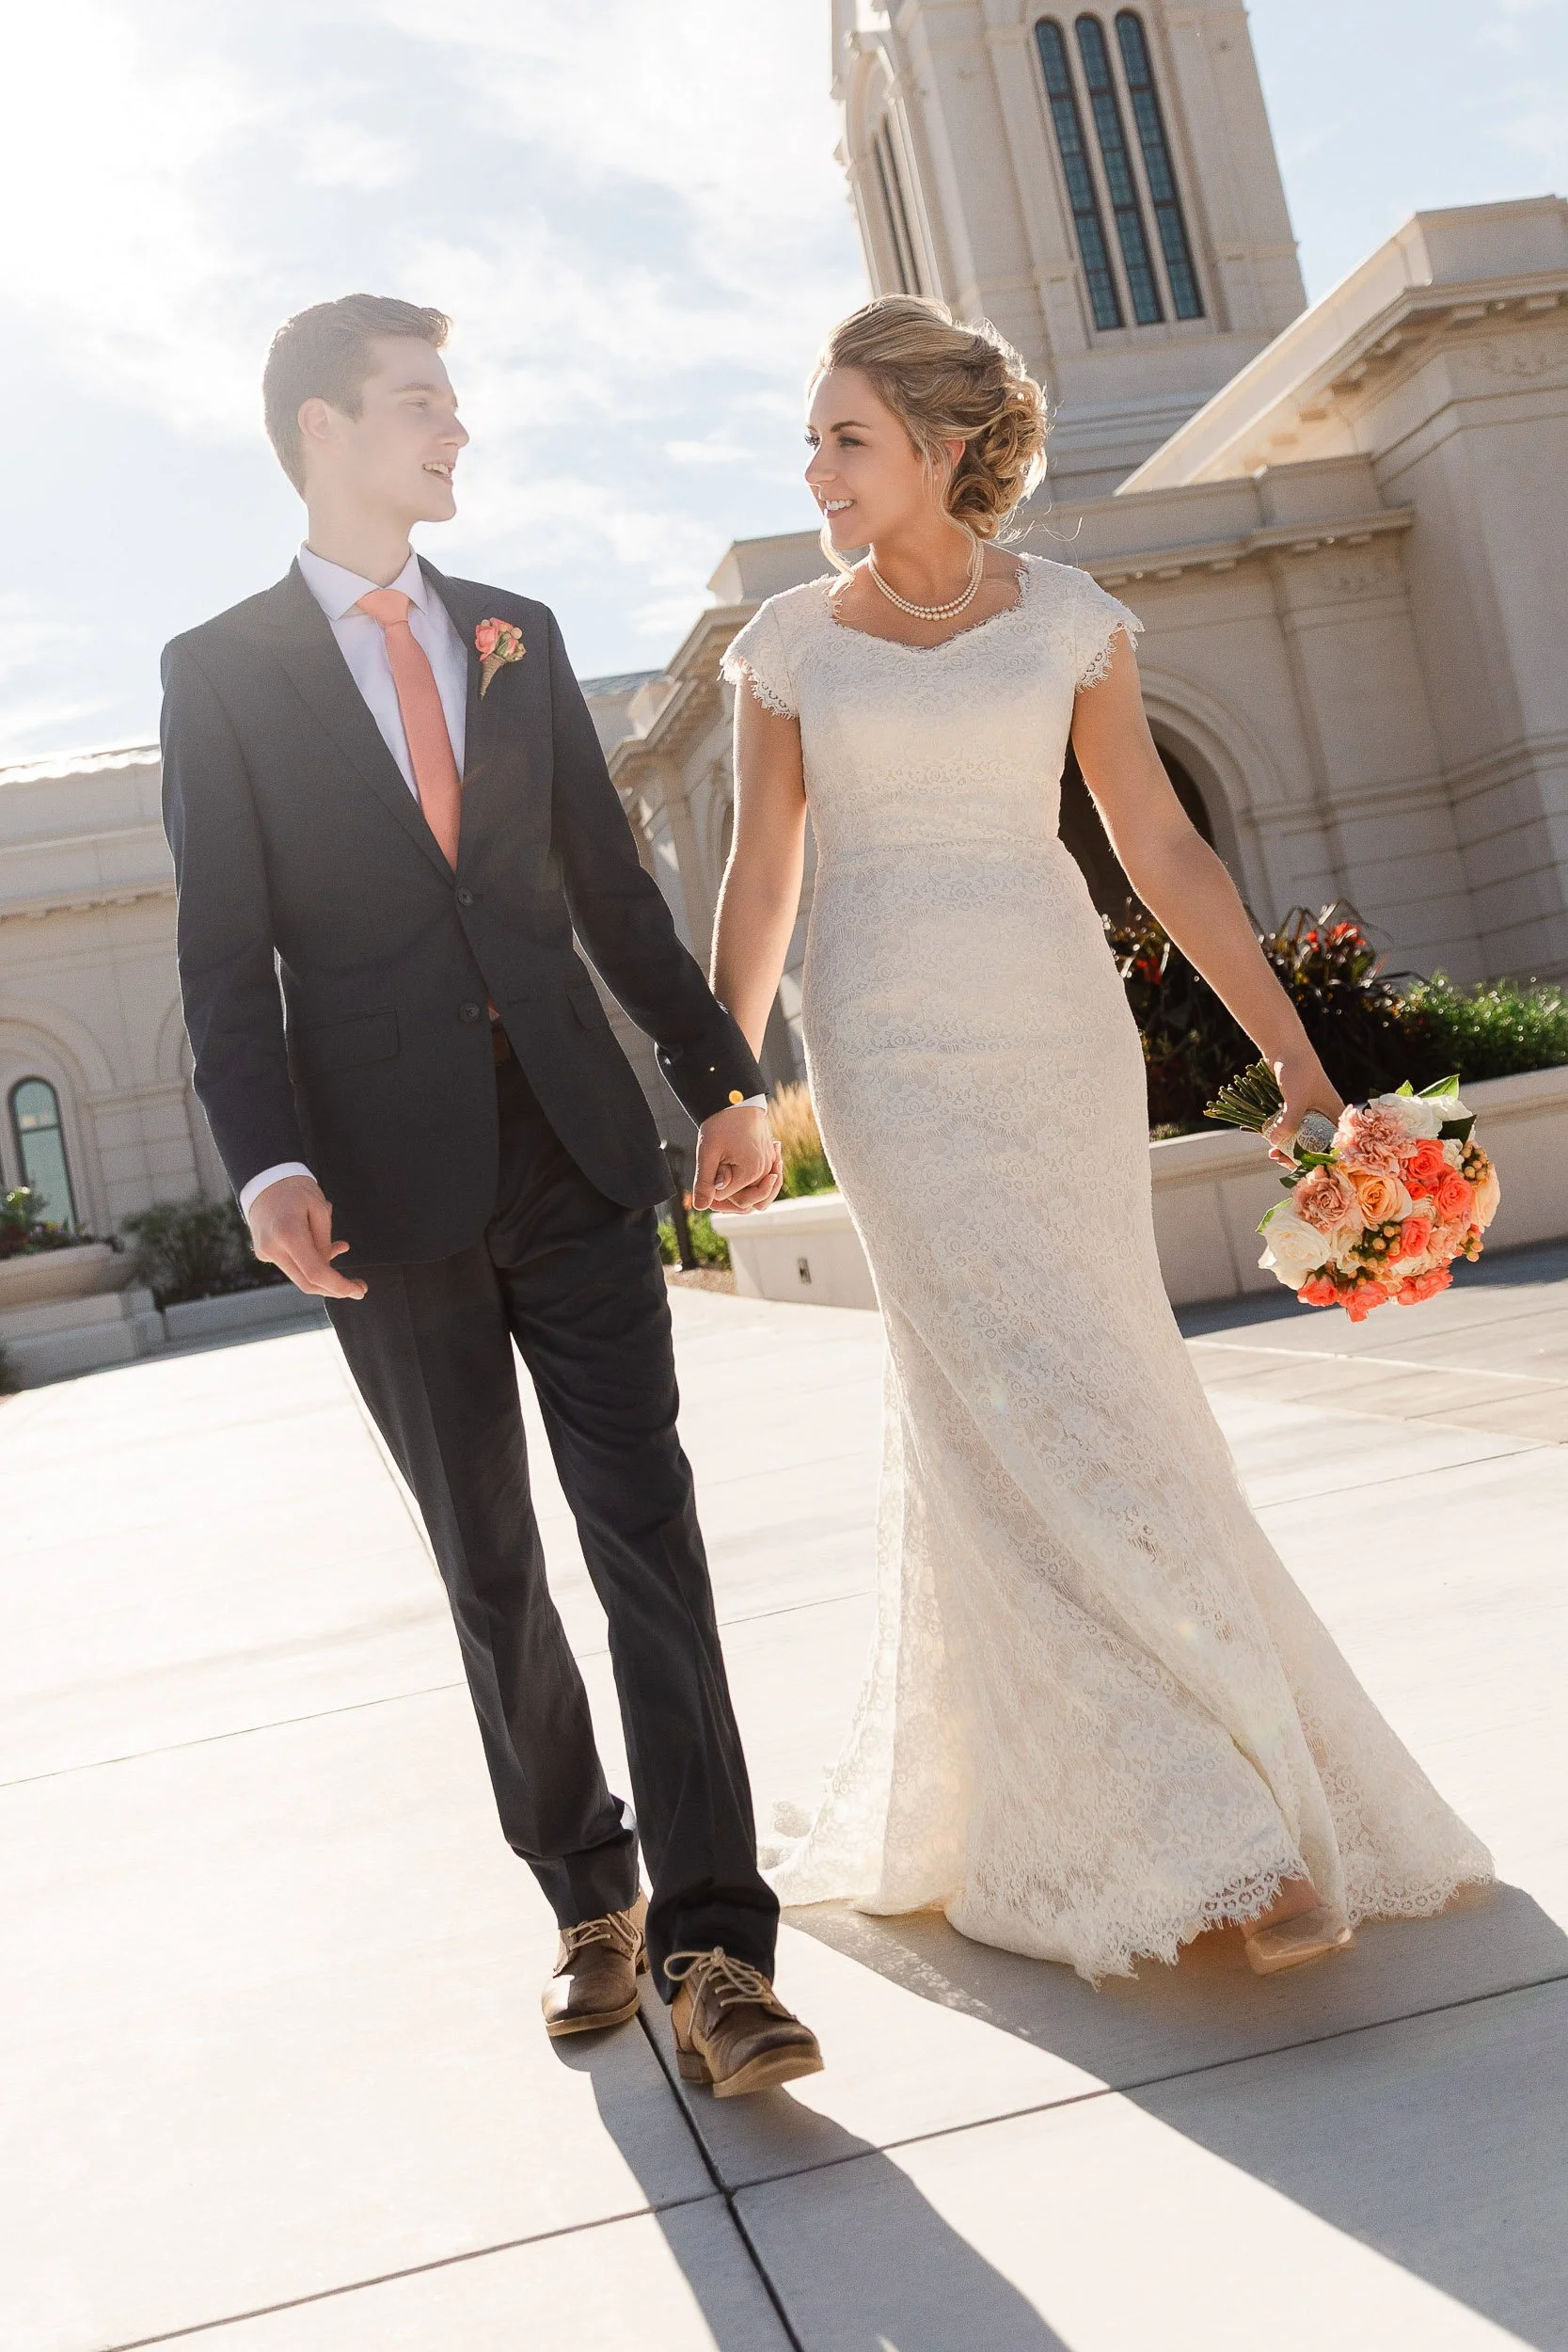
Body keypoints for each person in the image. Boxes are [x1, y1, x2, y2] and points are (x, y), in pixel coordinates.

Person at [710, 294, 1492, 1982]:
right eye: (814, 438)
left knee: (1106, 1385)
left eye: (844, 436)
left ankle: (1227, 1789)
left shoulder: (1067, 618)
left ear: (939, 447)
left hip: (1054, 1033)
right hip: (887, 1052)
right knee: (989, 1393)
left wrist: (1294, 1059)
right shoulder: (785, 643)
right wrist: (725, 1085)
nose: (817, 467)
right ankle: (1199, 1835)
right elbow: (761, 881)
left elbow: (1156, 845)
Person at [160, 293, 821, 2094]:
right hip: (385, 1196)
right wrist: (271, 1162)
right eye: (422, 404)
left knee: (650, 1545)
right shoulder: (217, 672)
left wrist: (720, 1082)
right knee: (490, 1565)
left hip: (580, 1159)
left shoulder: (517, 630)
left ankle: (714, 1948)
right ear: (322, 430)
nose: (458, 434)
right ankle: (586, 1893)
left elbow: (609, 896)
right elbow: (226, 959)